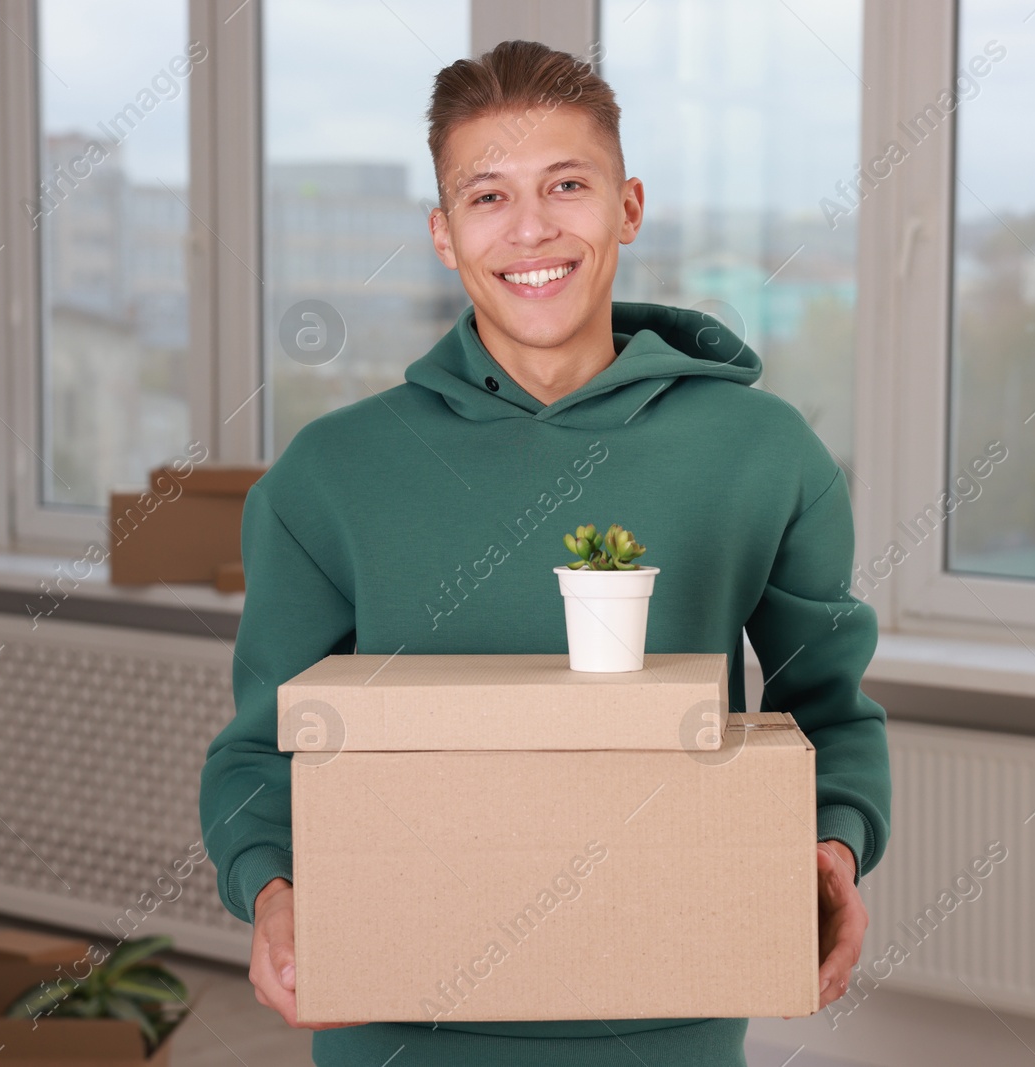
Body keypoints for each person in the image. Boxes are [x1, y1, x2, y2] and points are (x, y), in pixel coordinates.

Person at [199, 38, 891, 1067]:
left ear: (628, 206)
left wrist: (831, 848)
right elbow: (258, 752)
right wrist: (274, 886)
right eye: (487, 196)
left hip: (673, 1019)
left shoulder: (761, 452)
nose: (532, 228)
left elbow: (826, 711)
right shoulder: (329, 475)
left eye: (567, 184)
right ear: (442, 233)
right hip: (397, 1026)